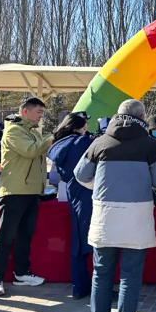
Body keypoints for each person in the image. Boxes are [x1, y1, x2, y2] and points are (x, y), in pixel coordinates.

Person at [74, 99, 156, 312]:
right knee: (130, 277)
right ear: (142, 117)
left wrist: (100, 187)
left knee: (101, 274)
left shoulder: (100, 142)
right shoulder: (150, 144)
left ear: (117, 116)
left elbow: (80, 175)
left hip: (104, 216)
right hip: (136, 217)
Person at [0, 97, 53, 297]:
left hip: (31, 191)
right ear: (25, 111)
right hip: (14, 191)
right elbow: (31, 151)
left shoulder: (32, 131)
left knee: (25, 235)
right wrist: (52, 138)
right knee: (5, 237)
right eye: (38, 112)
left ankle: (22, 273)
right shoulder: (14, 130)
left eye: (42, 113)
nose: (41, 116)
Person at [48, 113, 94, 300]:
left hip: (72, 194)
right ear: (78, 127)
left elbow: (54, 177)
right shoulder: (84, 143)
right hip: (90, 193)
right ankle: (99, 288)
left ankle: (79, 285)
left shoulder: (58, 145)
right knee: (97, 243)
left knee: (78, 243)